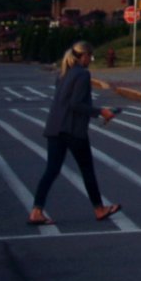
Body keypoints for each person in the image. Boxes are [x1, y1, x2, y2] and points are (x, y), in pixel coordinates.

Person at [28, 41, 123, 226]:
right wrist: (101, 112)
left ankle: (36, 210)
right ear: (83, 56)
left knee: (52, 169)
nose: (91, 60)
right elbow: (76, 104)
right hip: (72, 129)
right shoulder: (82, 74)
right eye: (90, 56)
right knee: (87, 169)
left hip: (55, 127)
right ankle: (99, 209)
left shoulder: (63, 73)